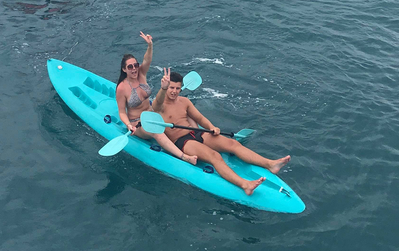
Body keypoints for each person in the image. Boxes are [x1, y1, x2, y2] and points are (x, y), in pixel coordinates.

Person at [151, 70, 291, 196]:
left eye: (177, 88)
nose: (174, 91)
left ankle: (270, 164)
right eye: (171, 88)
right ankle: (245, 184)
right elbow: (156, 104)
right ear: (165, 87)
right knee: (214, 156)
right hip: (182, 142)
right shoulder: (161, 105)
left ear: (181, 88)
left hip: (196, 133)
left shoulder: (184, 101)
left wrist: (211, 127)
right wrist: (163, 89)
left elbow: (199, 118)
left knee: (232, 143)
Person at [115, 34, 197, 165]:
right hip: (138, 123)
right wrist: (129, 125)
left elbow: (147, 60)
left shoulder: (141, 73)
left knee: (183, 111)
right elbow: (122, 112)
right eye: (130, 67)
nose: (134, 68)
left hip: (153, 111)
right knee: (156, 132)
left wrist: (150, 45)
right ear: (124, 69)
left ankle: (197, 136)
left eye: (135, 65)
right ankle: (184, 156)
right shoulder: (121, 88)